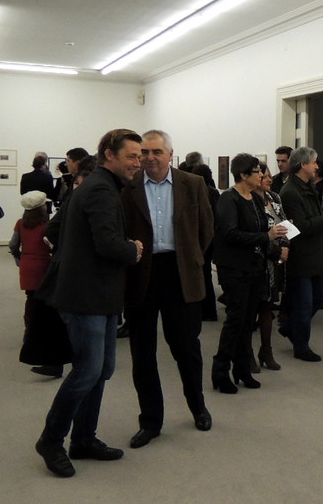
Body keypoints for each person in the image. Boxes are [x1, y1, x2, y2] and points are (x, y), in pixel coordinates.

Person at [35, 128, 143, 478]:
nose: (137, 163)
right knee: (86, 372)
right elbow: (108, 244)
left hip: (101, 295)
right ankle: (51, 441)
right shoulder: (100, 189)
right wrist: (133, 249)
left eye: (139, 156)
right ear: (109, 154)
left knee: (102, 370)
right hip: (86, 297)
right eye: (132, 156)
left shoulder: (103, 186)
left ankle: (83, 438)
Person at [120, 130, 214, 449]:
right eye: (144, 152)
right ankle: (150, 421)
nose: (150, 158)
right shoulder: (128, 186)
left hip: (180, 273)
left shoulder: (192, 184)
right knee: (142, 352)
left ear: (171, 154)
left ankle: (198, 407)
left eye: (157, 152)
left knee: (187, 347)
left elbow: (206, 228)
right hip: (141, 274)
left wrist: (191, 257)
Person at [212, 154, 287, 391]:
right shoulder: (229, 199)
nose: (262, 175)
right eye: (257, 171)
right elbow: (230, 234)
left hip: (255, 267)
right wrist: (266, 236)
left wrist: (275, 245)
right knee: (235, 320)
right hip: (234, 268)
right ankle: (220, 371)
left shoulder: (254, 198)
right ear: (243, 175)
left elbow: (262, 230)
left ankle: (242, 369)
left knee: (247, 321)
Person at [279, 146, 323, 361]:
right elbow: (300, 227)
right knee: (304, 302)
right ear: (303, 164)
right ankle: (301, 345)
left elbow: (312, 217)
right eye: (314, 162)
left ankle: (291, 326)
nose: (317, 166)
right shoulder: (290, 192)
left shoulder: (307, 187)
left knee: (322, 295)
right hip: (301, 255)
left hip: (316, 252)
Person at [9, 191, 55, 376]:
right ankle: (41, 335)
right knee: (44, 302)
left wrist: (20, 258)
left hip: (27, 265)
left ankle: (28, 333)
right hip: (44, 265)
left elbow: (13, 245)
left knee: (30, 299)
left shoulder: (20, 223)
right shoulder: (47, 224)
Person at [253, 162, 288, 371]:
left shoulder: (274, 198)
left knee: (266, 308)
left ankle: (266, 350)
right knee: (250, 310)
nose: (269, 179)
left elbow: (284, 223)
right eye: (264, 176)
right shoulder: (248, 200)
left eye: (269, 175)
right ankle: (245, 354)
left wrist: (285, 246)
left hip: (273, 263)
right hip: (256, 259)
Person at [192, 163, 220, 322]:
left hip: (200, 239)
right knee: (206, 274)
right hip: (211, 239)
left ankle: (204, 310)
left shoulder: (197, 192)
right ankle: (209, 310)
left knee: (201, 275)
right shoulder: (214, 193)